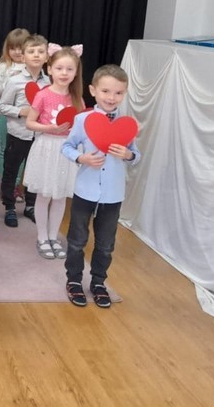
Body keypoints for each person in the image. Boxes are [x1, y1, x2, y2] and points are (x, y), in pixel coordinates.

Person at [61, 64, 140, 308]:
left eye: (118, 93)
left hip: (113, 194)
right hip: (85, 190)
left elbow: (136, 155)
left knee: (106, 244)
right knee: (77, 239)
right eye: (106, 91)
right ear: (93, 90)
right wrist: (81, 158)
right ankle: (74, 280)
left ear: (124, 93)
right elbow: (66, 146)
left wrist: (128, 154)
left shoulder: (127, 124)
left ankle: (98, 282)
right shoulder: (82, 119)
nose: (111, 97)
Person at [23, 44, 84, 259]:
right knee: (45, 194)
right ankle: (42, 237)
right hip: (47, 147)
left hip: (67, 151)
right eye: (59, 68)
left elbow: (80, 126)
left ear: (76, 72)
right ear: (49, 69)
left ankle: (53, 236)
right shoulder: (43, 95)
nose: (64, 73)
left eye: (69, 69)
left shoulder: (77, 98)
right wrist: (49, 128)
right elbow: (30, 123)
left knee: (60, 196)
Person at [0, 34, 49, 227]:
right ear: (23, 56)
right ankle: (9, 207)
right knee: (11, 171)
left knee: (35, 172)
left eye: (40, 51)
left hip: (40, 136)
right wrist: (21, 112)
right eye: (31, 51)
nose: (36, 55)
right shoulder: (15, 81)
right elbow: (2, 106)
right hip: (18, 134)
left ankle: (31, 206)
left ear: (46, 57)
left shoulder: (49, 83)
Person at [0, 28, 30, 203]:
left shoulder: (33, 68)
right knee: (4, 150)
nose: (17, 52)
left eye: (21, 48)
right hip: (6, 116)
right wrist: (10, 80)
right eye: (13, 48)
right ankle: (6, 186)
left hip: (26, 118)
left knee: (21, 152)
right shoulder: (3, 67)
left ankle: (15, 185)